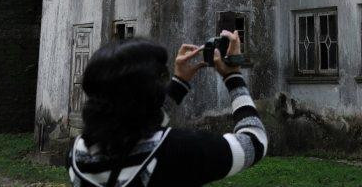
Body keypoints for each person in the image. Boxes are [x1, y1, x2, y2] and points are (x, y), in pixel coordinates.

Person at [68, 30, 267, 187]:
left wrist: (179, 82)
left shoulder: (78, 155)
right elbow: (255, 141)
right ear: (150, 91)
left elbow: (142, 122)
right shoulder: (178, 149)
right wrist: (233, 77)